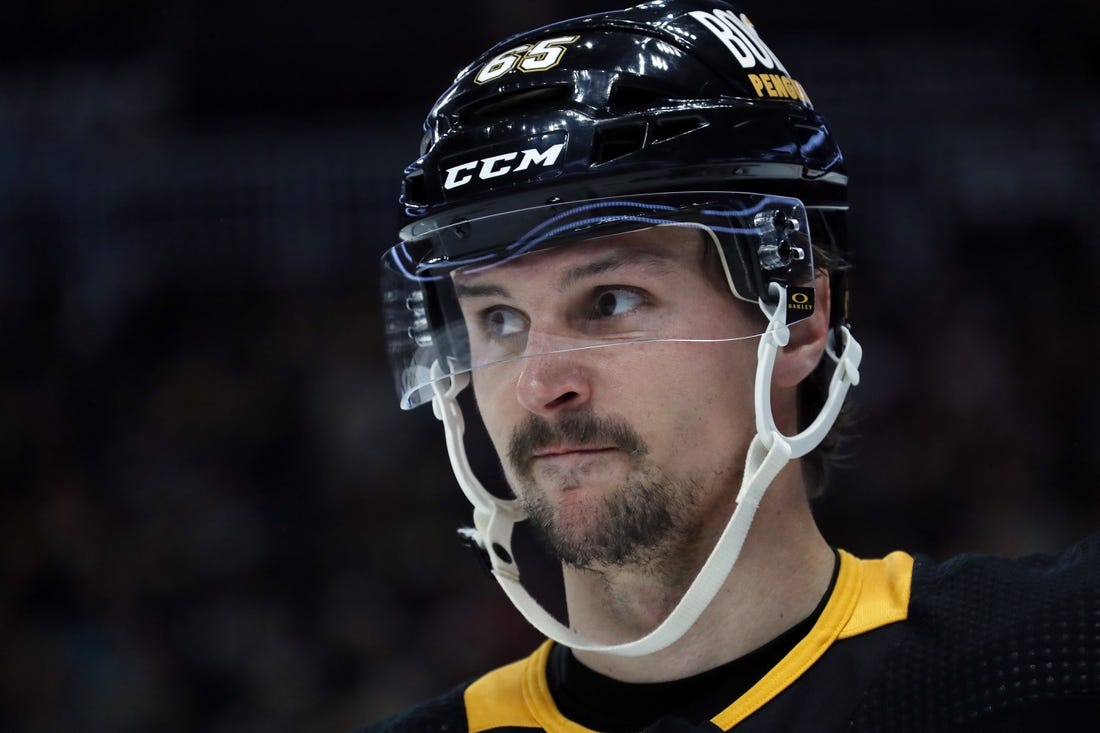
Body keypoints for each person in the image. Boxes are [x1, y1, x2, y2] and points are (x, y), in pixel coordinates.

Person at [362, 1, 1100, 730]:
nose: (539, 382)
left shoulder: (1052, 664)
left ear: (799, 319)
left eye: (611, 300)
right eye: (498, 318)